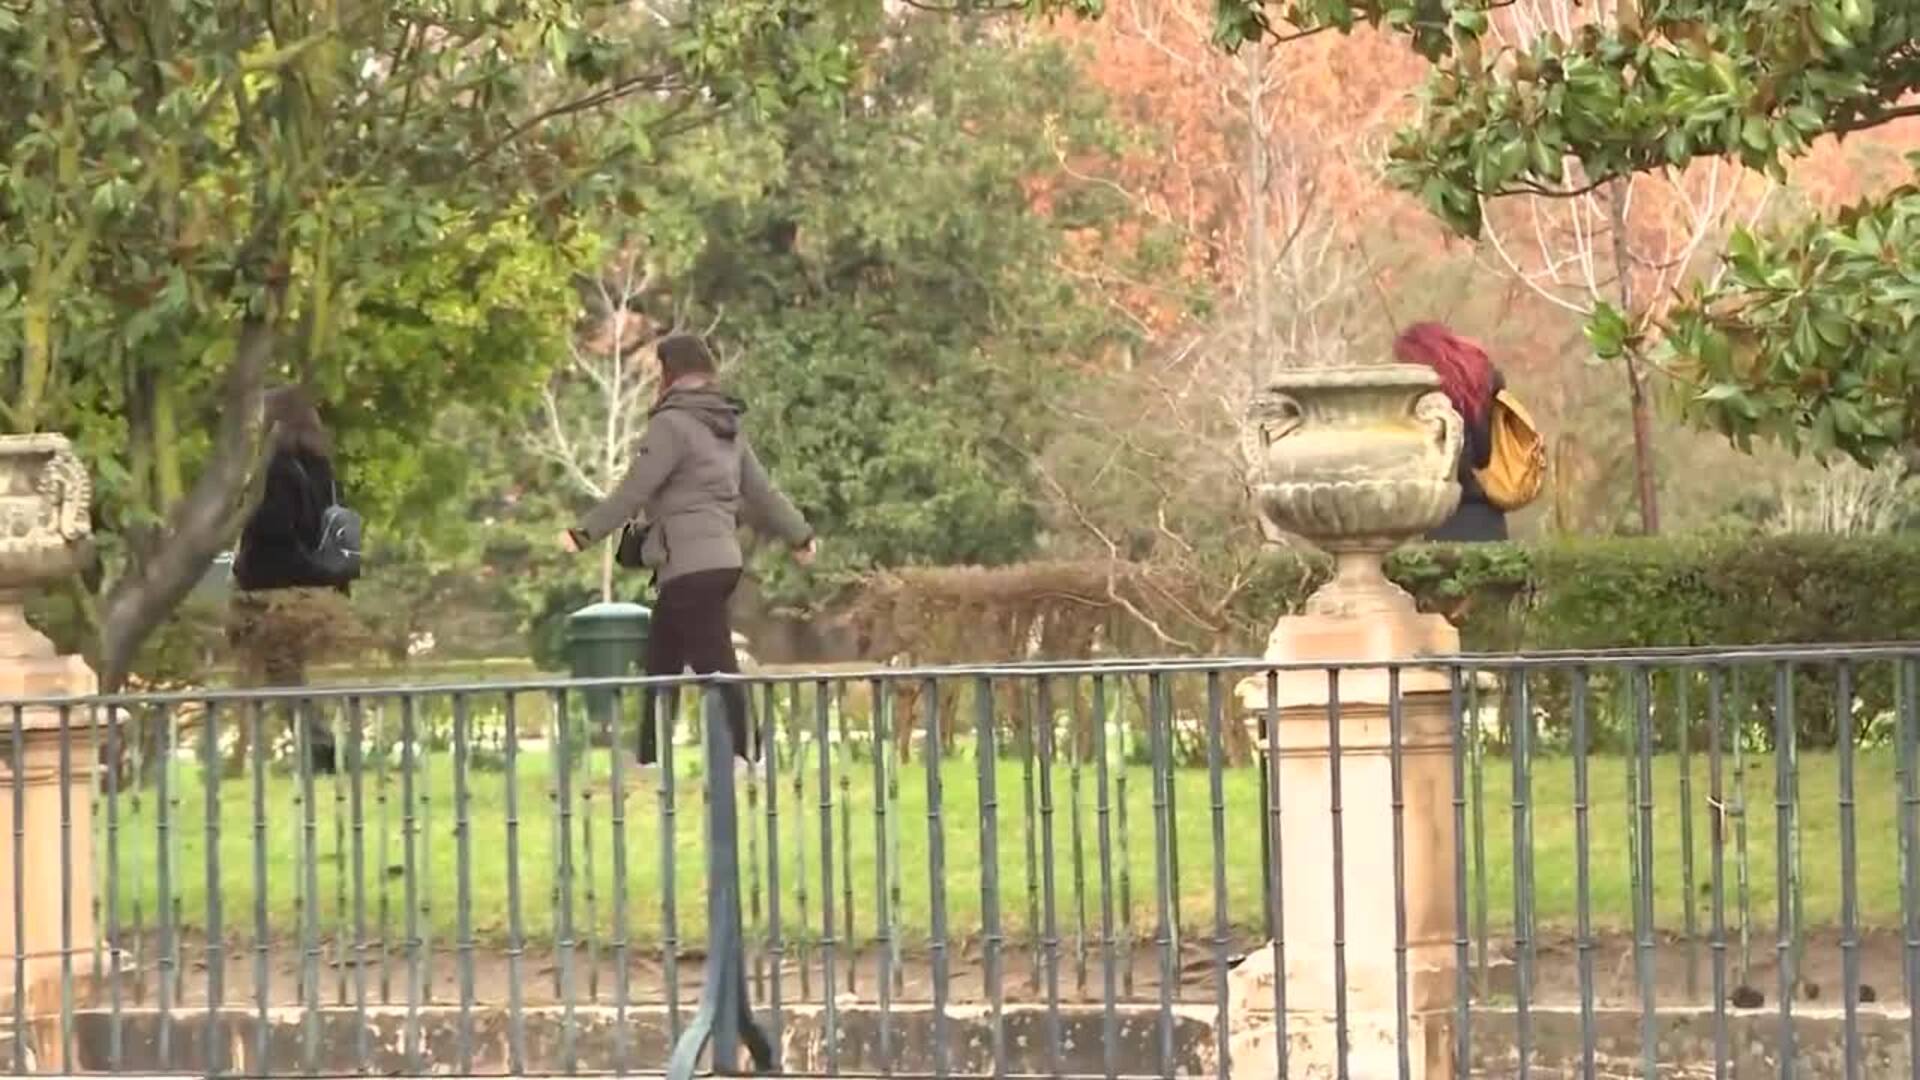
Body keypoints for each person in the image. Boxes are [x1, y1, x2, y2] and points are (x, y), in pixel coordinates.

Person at [562, 334, 816, 766]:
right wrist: (800, 536)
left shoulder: (671, 425)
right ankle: (648, 757)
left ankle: (749, 755)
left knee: (714, 663)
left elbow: (634, 490)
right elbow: (763, 492)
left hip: (688, 565)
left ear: (669, 372)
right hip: (720, 561)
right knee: (661, 660)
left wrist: (583, 533)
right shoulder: (727, 428)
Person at [229, 386, 362, 772]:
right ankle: (317, 748)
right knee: (289, 673)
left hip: (276, 587)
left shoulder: (277, 469)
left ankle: (319, 750)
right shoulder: (321, 467)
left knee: (283, 674)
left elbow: (274, 530)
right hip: (317, 585)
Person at [1393, 322, 1511, 543]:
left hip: (1451, 509)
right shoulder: (1484, 377)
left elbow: (1457, 455)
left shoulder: (1437, 396)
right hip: (1489, 504)